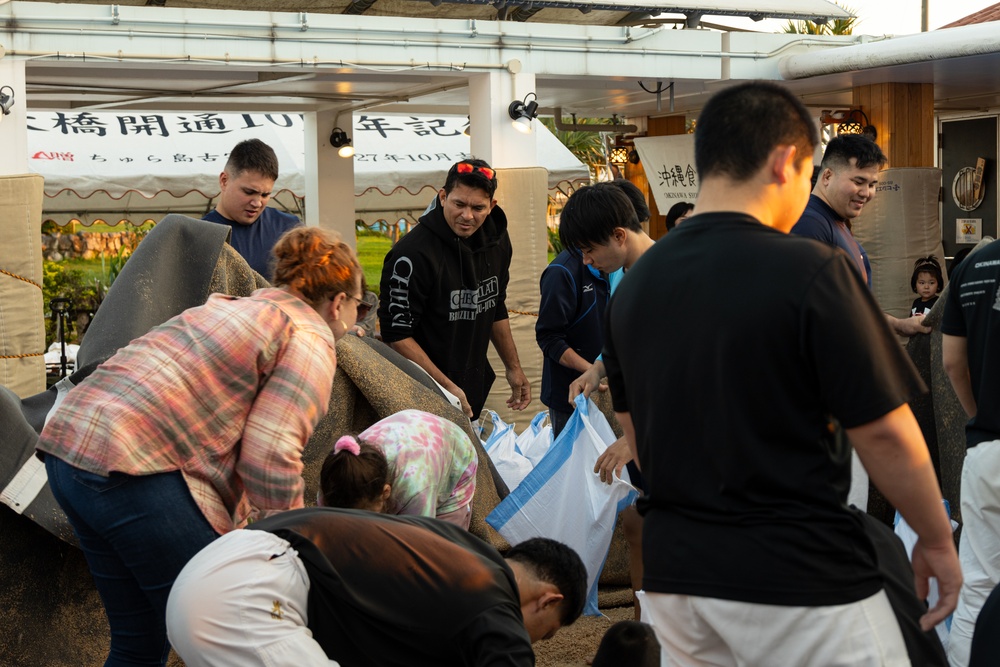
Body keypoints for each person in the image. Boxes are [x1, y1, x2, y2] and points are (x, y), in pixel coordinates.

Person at [602, 81, 961, 666]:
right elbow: (887, 432)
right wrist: (938, 541)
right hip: (797, 572)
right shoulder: (809, 268)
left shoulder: (633, 286)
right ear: (786, 161)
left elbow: (637, 437)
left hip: (678, 579)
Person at [36, 226, 365, 666]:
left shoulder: (232, 308)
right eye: (360, 306)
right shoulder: (308, 336)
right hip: (133, 468)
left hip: (68, 449)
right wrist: (290, 543)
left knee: (140, 640)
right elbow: (270, 453)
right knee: (228, 632)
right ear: (339, 302)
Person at [165, 507, 587, 666]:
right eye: (545, 632)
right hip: (250, 592)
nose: (533, 641)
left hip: (223, 566)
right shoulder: (491, 597)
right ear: (550, 599)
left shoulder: (457, 548)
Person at [378, 158, 530, 419]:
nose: (467, 215)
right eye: (459, 204)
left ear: (492, 206)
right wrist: (446, 387)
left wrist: (513, 367)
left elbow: (494, 304)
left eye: (478, 207)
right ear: (443, 196)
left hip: (471, 383)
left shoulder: (498, 241)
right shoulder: (411, 255)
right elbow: (396, 335)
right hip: (419, 391)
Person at [791, 133, 931, 336]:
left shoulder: (836, 222)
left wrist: (900, 324)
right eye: (859, 181)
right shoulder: (810, 225)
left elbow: (851, 308)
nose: (866, 193)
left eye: (872, 184)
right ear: (827, 176)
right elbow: (810, 314)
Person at [941, 239, 1000, 667]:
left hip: (985, 452)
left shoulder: (977, 262)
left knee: (978, 586)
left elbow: (952, 363)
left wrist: (981, 416)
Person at [319, 409, 478, 528]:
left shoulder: (415, 489)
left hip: (455, 454)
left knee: (443, 551)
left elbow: (421, 545)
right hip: (410, 432)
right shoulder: (336, 475)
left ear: (385, 492)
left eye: (364, 515)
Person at [203, 138, 302, 277]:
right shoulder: (202, 236)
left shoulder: (289, 229)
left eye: (265, 194)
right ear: (224, 181)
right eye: (249, 192)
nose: (257, 203)